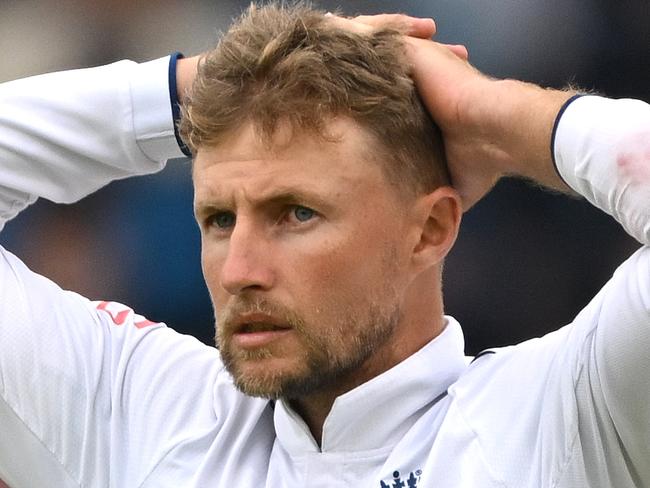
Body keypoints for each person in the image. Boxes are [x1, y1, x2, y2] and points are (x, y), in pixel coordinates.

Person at [0, 3, 648, 487]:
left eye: (297, 213)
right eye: (220, 219)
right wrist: (197, 86)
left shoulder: (569, 417)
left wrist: (498, 113)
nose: (240, 271)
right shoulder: (139, 414)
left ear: (430, 229)